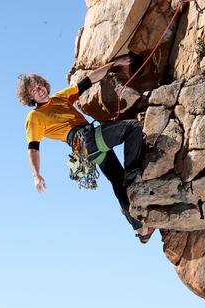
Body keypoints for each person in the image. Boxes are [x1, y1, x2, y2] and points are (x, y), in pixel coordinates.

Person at [16, 56, 155, 243]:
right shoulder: (35, 117)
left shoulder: (61, 97)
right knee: (132, 128)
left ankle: (141, 230)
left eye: (39, 85)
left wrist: (114, 64)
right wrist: (36, 174)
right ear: (30, 97)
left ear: (45, 85)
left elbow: (89, 80)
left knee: (117, 179)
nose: (39, 90)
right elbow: (33, 147)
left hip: (89, 146)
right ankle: (133, 171)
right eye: (33, 90)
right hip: (84, 140)